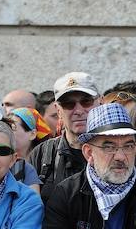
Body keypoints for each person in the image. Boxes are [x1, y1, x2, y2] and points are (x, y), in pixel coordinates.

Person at [27, 72, 101, 204]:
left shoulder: (117, 151)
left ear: (101, 102)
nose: (78, 110)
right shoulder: (42, 153)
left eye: (86, 101)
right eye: (68, 104)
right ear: (58, 110)